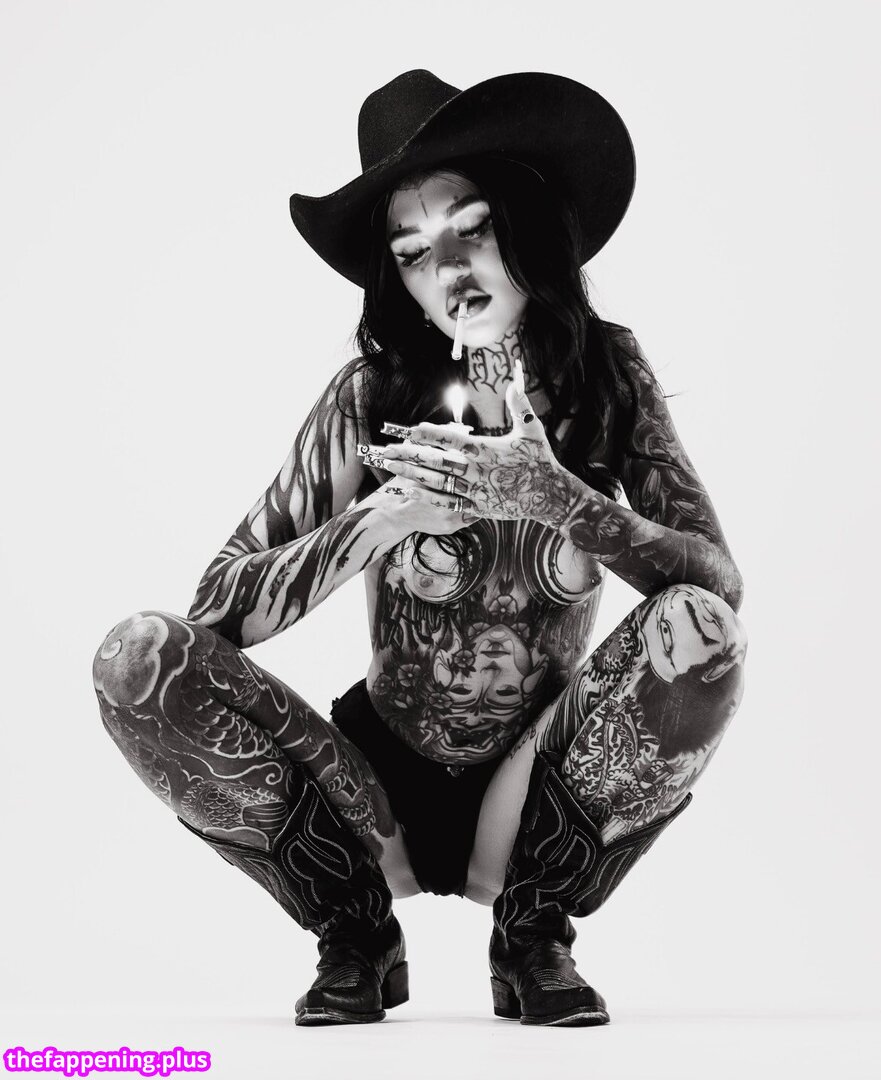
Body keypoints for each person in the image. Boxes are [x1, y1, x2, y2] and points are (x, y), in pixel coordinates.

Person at [92, 70, 747, 1027]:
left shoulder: (606, 377)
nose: (447, 270)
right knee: (138, 658)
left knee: (701, 630)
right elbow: (215, 613)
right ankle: (352, 929)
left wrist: (563, 502)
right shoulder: (368, 397)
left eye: (471, 229)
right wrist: (379, 521)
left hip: (542, 777)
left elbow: (719, 588)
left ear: (525, 226)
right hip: (373, 787)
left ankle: (533, 929)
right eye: (411, 253)